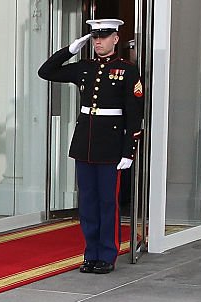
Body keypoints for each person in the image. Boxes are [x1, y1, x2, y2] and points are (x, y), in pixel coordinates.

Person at [39, 18, 145, 275]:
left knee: (108, 202)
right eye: (95, 36)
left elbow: (134, 113)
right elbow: (46, 72)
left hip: (111, 146)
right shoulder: (84, 67)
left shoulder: (127, 70)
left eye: (104, 35)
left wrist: (128, 151)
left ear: (115, 39)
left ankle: (107, 254)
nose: (98, 41)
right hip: (84, 144)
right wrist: (70, 50)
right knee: (87, 203)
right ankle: (91, 253)